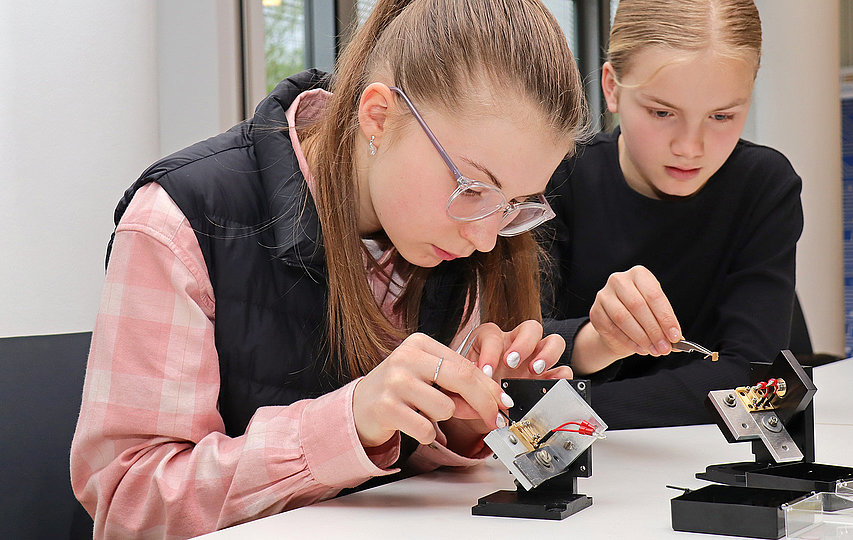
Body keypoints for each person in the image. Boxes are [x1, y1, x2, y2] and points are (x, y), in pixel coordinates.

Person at [70, 0, 588, 536]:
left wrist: (456, 421)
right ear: (379, 117)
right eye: (473, 189)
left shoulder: (446, 234)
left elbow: (399, 483)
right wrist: (348, 422)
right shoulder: (179, 219)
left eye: (515, 205)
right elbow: (128, 503)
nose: (484, 238)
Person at [541, 0, 803, 429]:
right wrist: (592, 344)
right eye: (662, 112)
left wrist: (565, 414)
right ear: (611, 88)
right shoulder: (554, 178)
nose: (690, 147)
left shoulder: (764, 186)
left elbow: (755, 378)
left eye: (722, 115)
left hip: (696, 456)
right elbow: (517, 352)